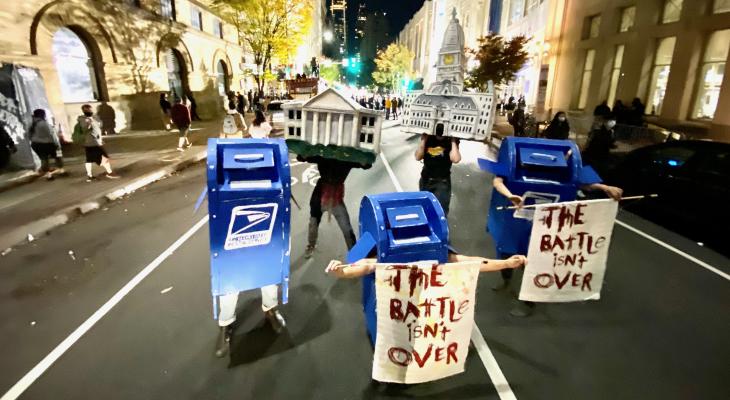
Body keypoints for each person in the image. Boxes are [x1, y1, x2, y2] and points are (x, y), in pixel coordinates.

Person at [302, 157, 370, 259]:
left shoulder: (346, 158)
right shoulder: (324, 154)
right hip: (320, 196)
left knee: (347, 229)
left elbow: (366, 164)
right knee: (313, 223)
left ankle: (355, 254)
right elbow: (305, 157)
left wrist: (364, 161)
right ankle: (311, 245)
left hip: (336, 199)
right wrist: (304, 156)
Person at [415, 129, 461, 215]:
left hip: (442, 182)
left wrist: (454, 141)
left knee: (440, 212)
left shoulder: (449, 140)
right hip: (426, 179)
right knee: (424, 210)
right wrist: (423, 140)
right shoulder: (428, 137)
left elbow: (455, 159)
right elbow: (418, 157)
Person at [77, 104, 119, 182]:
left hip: (95, 142)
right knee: (102, 157)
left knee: (90, 159)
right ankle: (109, 173)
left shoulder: (94, 117)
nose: (89, 111)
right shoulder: (82, 119)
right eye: (87, 110)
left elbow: (99, 127)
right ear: (84, 111)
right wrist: (88, 123)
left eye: (90, 109)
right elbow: (84, 129)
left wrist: (100, 139)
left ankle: (90, 176)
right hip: (90, 142)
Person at [29, 109, 65, 180]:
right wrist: (57, 144)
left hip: (36, 144)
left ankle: (48, 175)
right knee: (58, 155)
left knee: (44, 159)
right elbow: (52, 135)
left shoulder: (30, 124)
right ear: (43, 115)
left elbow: (29, 135)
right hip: (49, 144)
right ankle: (61, 170)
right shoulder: (44, 123)